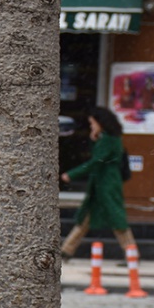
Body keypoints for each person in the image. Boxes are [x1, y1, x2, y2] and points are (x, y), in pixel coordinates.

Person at [60, 107, 137, 258]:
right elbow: (98, 157)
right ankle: (66, 250)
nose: (91, 126)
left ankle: (132, 253)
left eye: (92, 123)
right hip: (102, 183)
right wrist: (93, 139)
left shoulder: (109, 140)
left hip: (107, 184)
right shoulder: (107, 138)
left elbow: (95, 161)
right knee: (86, 218)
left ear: (100, 122)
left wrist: (71, 174)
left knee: (117, 219)